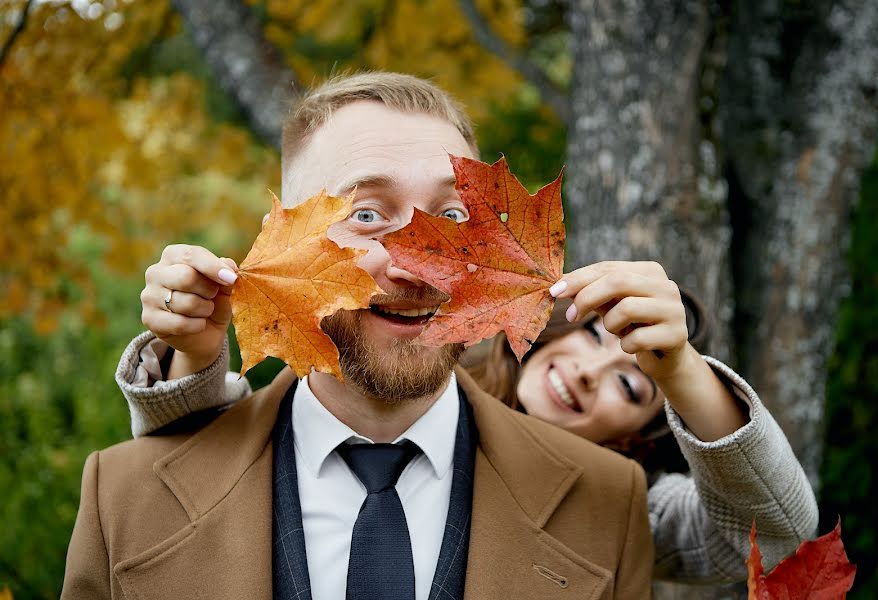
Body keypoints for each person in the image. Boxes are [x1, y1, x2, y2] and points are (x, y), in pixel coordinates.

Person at [62, 72, 654, 600]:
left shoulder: (608, 501)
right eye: (368, 214)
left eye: (451, 218)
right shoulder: (121, 499)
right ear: (282, 238)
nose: (417, 264)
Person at [117, 250, 819, 584]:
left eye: (631, 388)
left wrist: (681, 371)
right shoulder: (404, 363)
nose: (588, 371)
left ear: (633, 435)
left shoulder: (613, 506)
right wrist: (190, 355)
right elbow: (187, 478)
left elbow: (778, 537)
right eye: (599, 341)